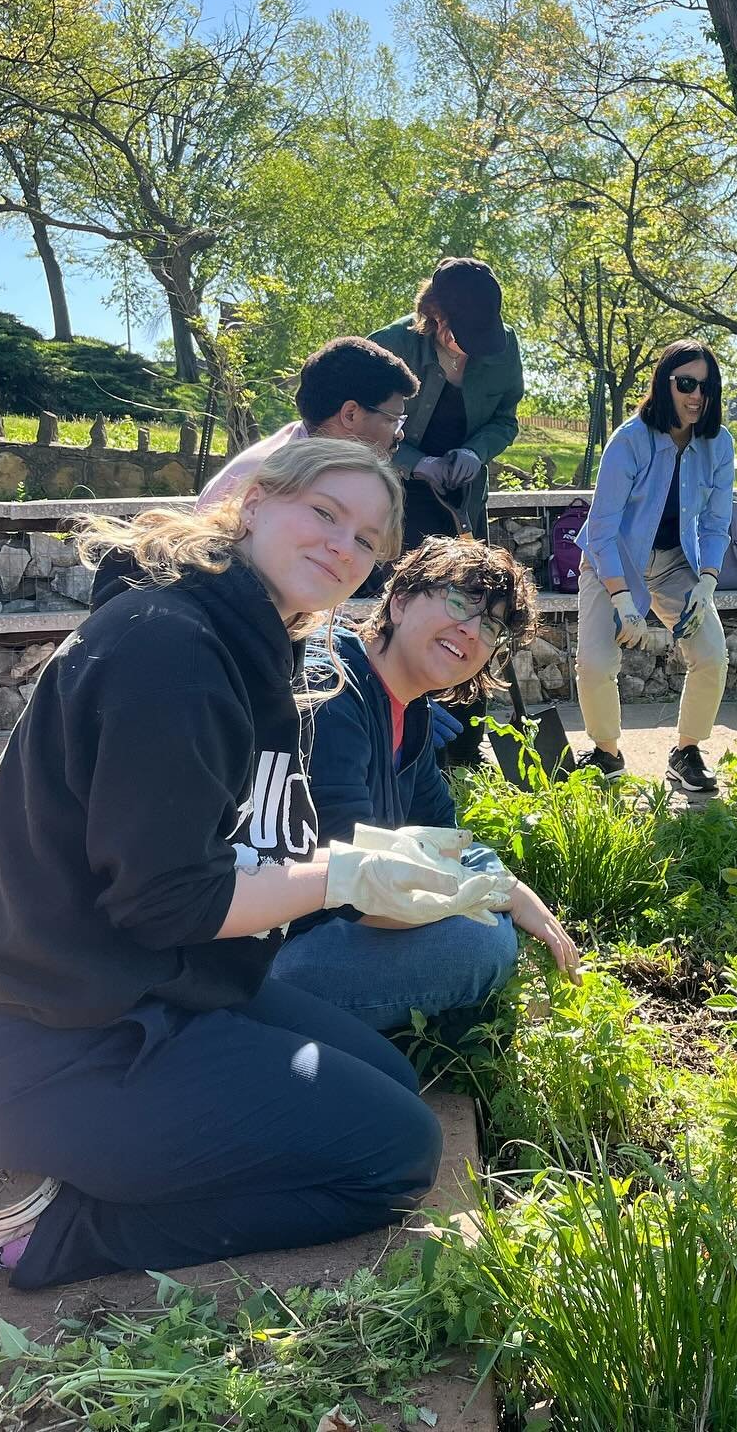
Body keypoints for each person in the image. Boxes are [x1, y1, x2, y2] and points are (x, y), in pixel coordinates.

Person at [0, 440, 500, 1289]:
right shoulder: (173, 650)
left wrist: (375, 856)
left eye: (368, 539)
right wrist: (345, 877)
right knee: (397, 1159)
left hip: (154, 985)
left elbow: (248, 839)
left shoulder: (261, 641)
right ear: (256, 503)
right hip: (49, 1044)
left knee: (392, 1083)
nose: (345, 546)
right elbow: (163, 901)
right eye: (326, 514)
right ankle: (40, 1223)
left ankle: (89, 1163)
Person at [270, 537, 580, 1031]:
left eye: (492, 625)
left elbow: (447, 837)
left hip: (338, 929)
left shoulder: (409, 707)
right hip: (273, 951)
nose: (471, 630)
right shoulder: (330, 692)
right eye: (460, 601)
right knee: (481, 944)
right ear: (399, 600)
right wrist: (493, 895)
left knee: (483, 928)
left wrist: (504, 886)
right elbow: (352, 881)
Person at [574, 340, 734, 795]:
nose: (696, 396)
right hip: (611, 564)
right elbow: (601, 529)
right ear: (665, 384)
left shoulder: (718, 445)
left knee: (711, 653)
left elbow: (717, 522)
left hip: (674, 566)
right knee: (595, 663)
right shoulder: (629, 440)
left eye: (706, 386)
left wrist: (707, 582)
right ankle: (606, 754)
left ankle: (686, 752)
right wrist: (623, 599)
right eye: (686, 383)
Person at [369, 257, 524, 546]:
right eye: (464, 337)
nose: (473, 349)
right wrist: (417, 463)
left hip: (464, 499)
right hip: (394, 495)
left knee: (467, 587)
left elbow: (505, 420)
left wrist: (476, 453)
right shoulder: (389, 346)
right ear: (436, 316)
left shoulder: (505, 346)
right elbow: (355, 428)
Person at [197, 336, 417, 508]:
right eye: (392, 420)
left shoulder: (307, 459)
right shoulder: (275, 480)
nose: (399, 435)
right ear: (350, 414)